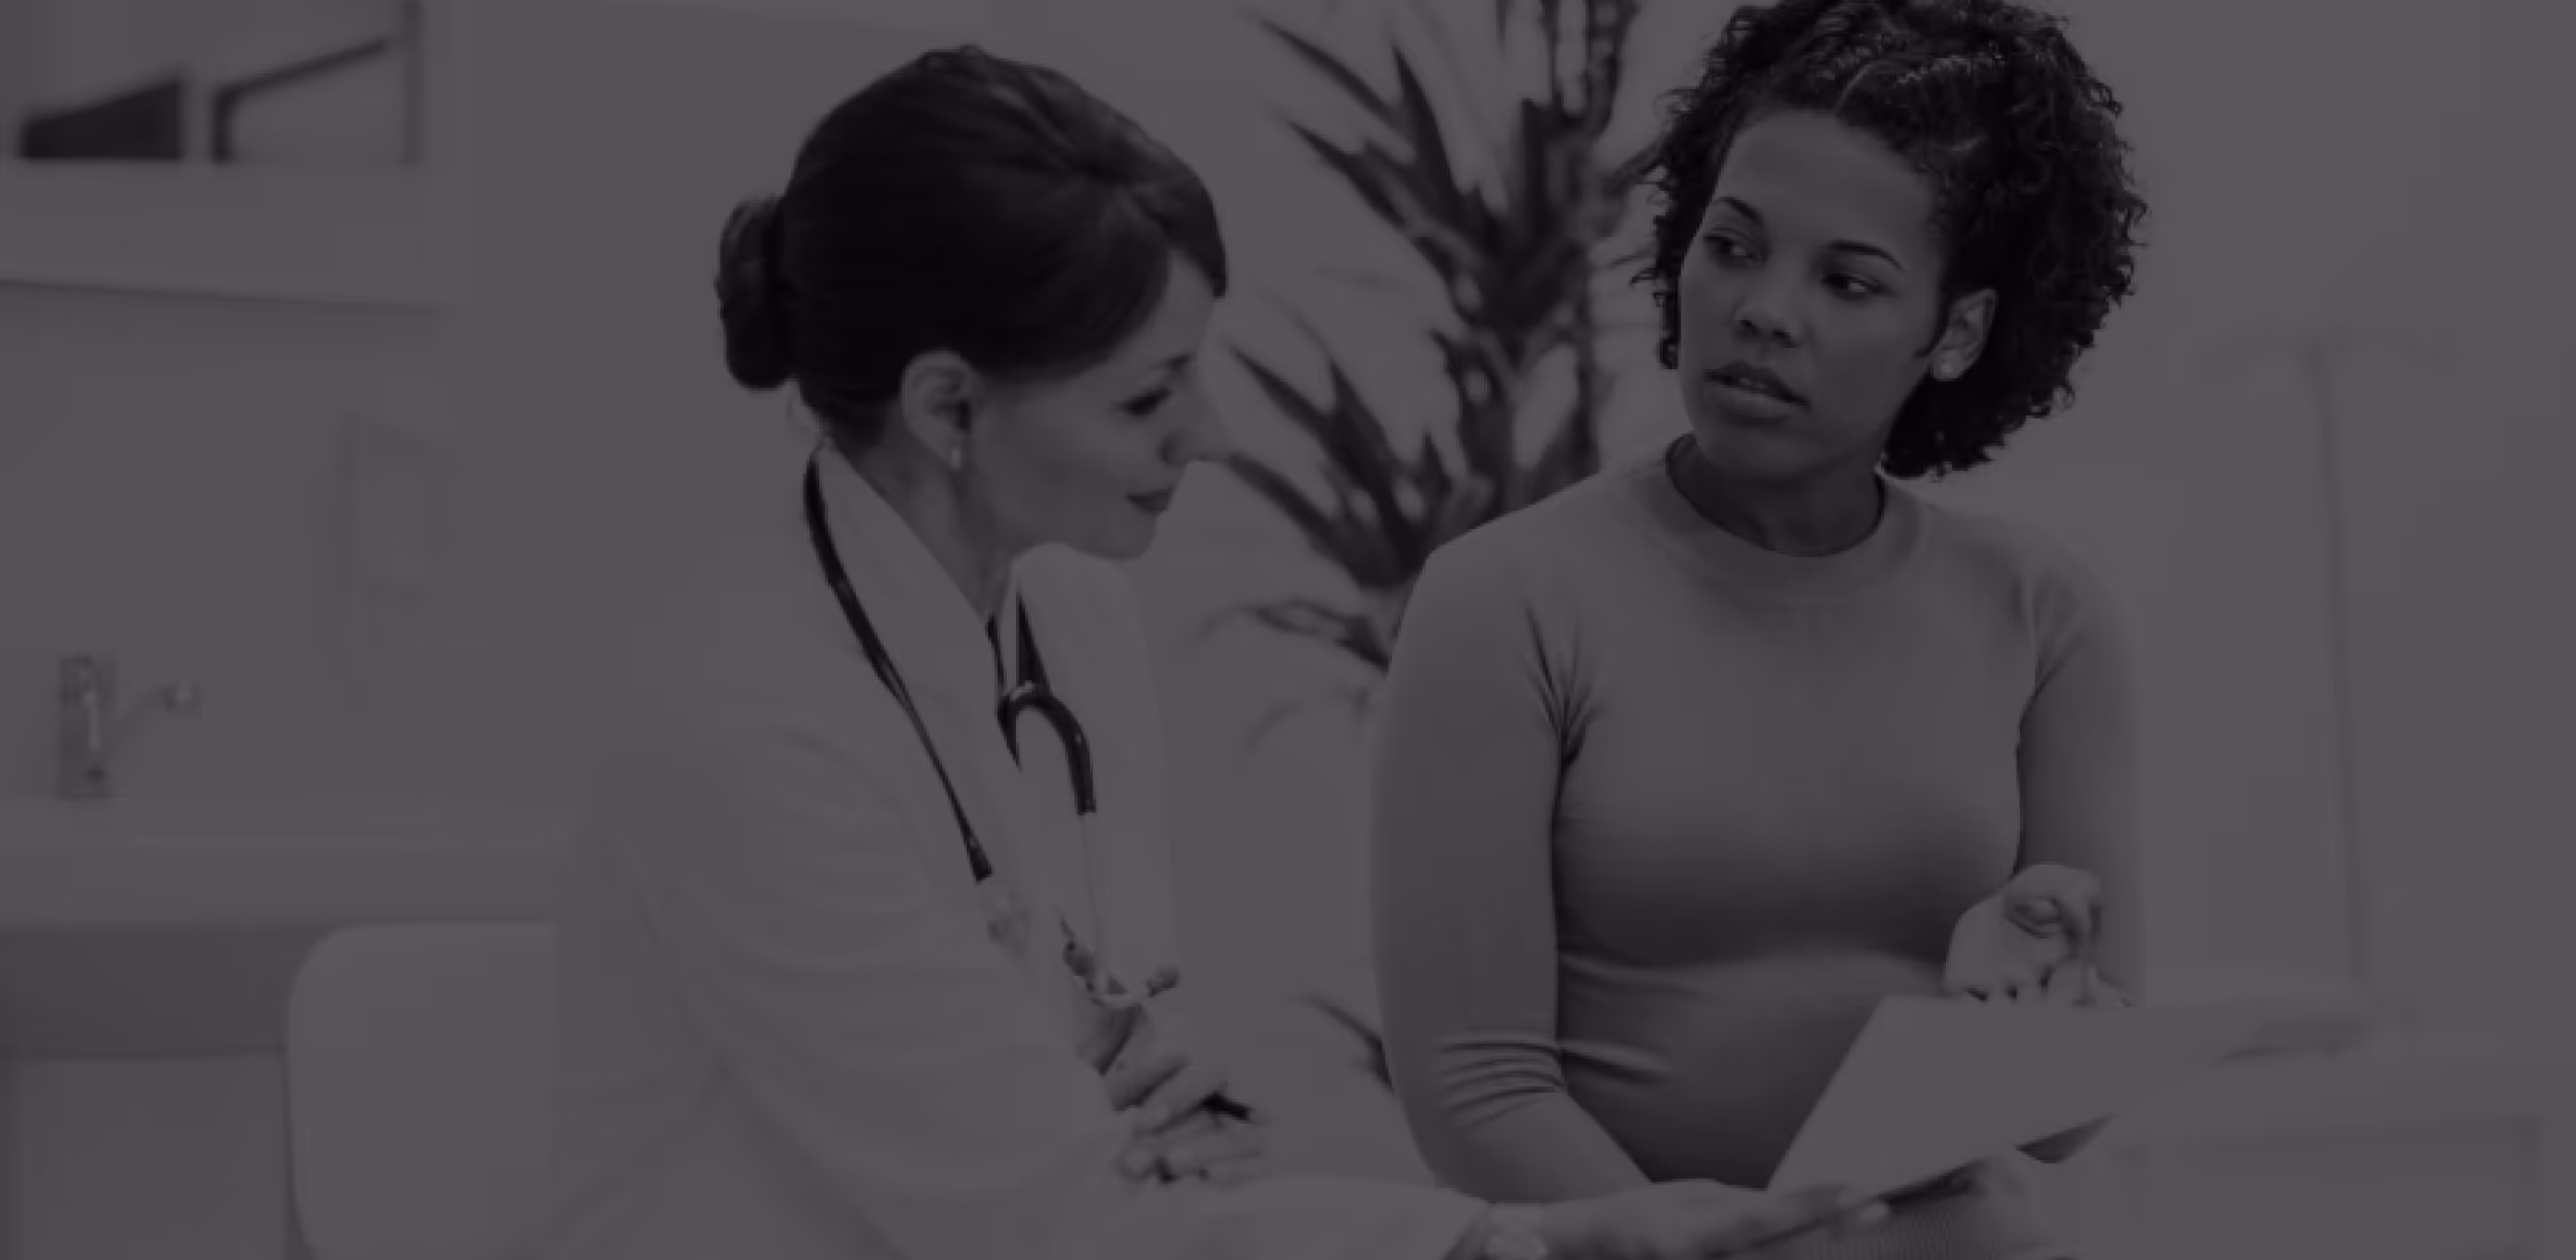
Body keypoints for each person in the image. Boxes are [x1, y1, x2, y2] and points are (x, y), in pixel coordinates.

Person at [543, 43, 1891, 1260]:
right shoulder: (747, 728)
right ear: (950, 402)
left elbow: (1151, 1099)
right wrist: (1521, 1242)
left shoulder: (1068, 608)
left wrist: (1151, 1108)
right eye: (1150, 392)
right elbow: (1059, 1211)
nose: (1216, 431)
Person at [1366, 0, 2150, 1256]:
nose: (1763, 308)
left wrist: (2045, 1002)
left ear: (1956, 331)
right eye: (1733, 246)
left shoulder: (2043, 614)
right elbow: (1477, 1087)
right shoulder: (1505, 600)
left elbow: (2066, 1116)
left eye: (1846, 280)